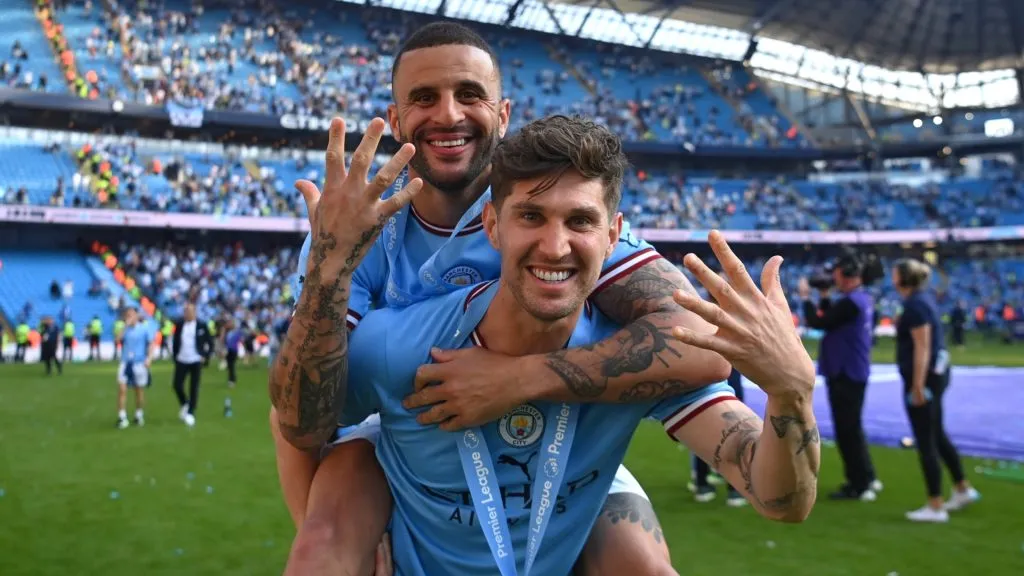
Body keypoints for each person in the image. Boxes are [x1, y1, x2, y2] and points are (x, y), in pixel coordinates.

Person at [271, 23, 732, 576]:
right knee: (320, 551)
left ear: (504, 114)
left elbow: (703, 343)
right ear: (394, 119)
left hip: (557, 436)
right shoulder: (358, 229)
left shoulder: (554, 219)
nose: (448, 114)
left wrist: (522, 378)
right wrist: (327, 271)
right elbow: (297, 414)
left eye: (469, 94)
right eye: (424, 98)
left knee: (643, 566)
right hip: (400, 440)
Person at [310, 115, 820, 574]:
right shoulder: (397, 344)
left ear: (613, 236)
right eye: (531, 216)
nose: (555, 247)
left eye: (580, 221)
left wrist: (792, 392)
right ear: (492, 226)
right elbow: (298, 424)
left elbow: (781, 500)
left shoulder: (638, 360)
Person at [892, 259, 980, 522]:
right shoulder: (922, 300)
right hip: (935, 376)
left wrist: (918, 385)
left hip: (925, 380)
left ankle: (935, 504)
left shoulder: (915, 305)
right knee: (937, 434)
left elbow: (923, 346)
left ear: (903, 278)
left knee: (926, 440)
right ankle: (962, 488)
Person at [798, 252, 882, 501]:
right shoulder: (860, 299)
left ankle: (858, 484)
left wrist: (806, 298)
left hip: (845, 371)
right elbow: (832, 319)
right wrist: (824, 297)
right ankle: (867, 476)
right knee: (853, 428)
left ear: (846, 276)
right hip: (853, 369)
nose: (832, 280)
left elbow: (819, 323)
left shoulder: (849, 303)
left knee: (846, 430)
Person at [692, 367, 747, 507]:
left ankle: (702, 484)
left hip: (704, 384)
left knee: (702, 432)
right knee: (733, 432)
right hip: (726, 382)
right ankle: (733, 489)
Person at [116, 308, 159, 429]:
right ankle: (122, 417)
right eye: (127, 315)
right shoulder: (125, 329)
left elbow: (151, 344)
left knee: (138, 390)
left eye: (131, 314)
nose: (129, 317)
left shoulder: (144, 329)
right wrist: (125, 326)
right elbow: (117, 339)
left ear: (136, 315)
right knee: (122, 389)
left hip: (139, 363)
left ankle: (139, 414)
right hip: (126, 362)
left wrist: (149, 358)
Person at [172, 302, 213, 427]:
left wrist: (205, 356)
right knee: (176, 384)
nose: (187, 314)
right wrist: (175, 355)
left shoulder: (201, 325)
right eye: (185, 311)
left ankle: (191, 412)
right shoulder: (180, 325)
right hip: (182, 359)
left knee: (194, 387)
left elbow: (210, 342)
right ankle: (185, 403)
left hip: (195, 359)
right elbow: (175, 341)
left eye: (189, 311)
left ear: (195, 312)